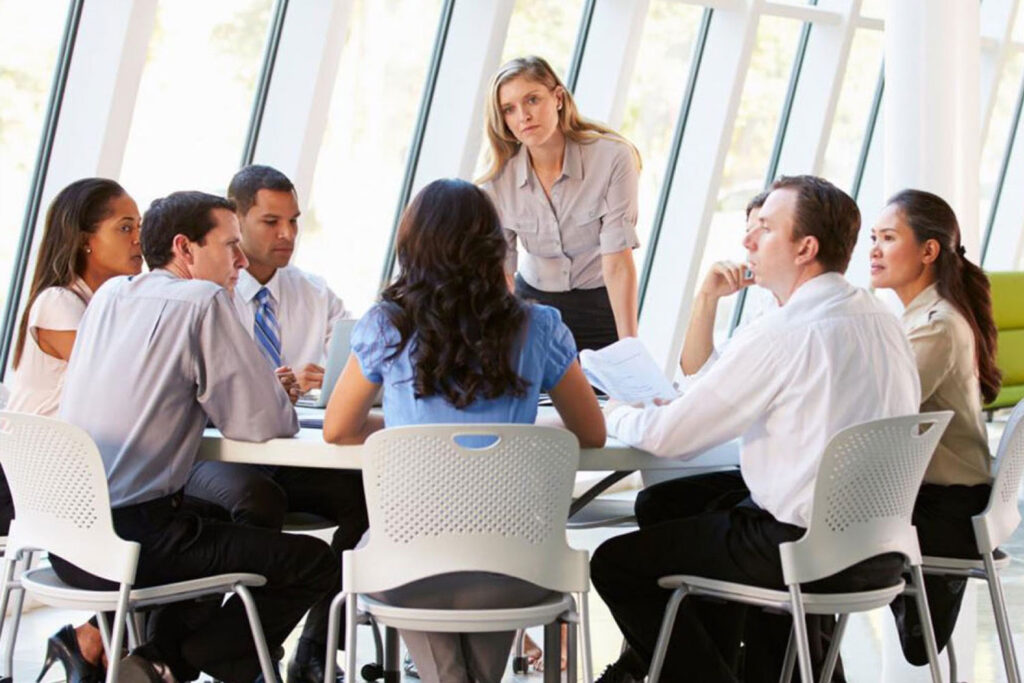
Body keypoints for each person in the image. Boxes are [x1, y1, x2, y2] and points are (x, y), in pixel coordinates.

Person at [591, 175, 920, 683]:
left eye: (764, 229)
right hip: (877, 545)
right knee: (665, 504)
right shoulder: (880, 319)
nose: (748, 240)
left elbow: (670, 439)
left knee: (616, 563)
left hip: (799, 546)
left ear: (805, 248)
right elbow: (713, 392)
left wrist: (611, 413)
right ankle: (713, 663)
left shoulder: (788, 332)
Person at [322, 178, 605, 683]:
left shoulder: (386, 325)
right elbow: (591, 432)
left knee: (439, 650)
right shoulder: (540, 326)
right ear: (494, 246)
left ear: (412, 248)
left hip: (409, 569)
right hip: (519, 565)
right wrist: (518, 431)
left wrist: (413, 429)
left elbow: (338, 428)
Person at [55, 191, 338, 683]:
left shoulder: (111, 295)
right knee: (314, 561)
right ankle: (183, 660)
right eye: (230, 246)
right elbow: (260, 425)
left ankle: (158, 659)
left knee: (217, 513)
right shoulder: (202, 300)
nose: (241, 260)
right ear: (185, 249)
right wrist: (272, 390)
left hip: (67, 540)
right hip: (134, 542)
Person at [182, 165, 366, 683]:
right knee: (256, 500)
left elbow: (354, 367)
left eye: (293, 221)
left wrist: (327, 379)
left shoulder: (314, 293)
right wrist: (261, 388)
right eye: (270, 222)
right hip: (213, 456)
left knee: (372, 495)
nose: (286, 235)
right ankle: (240, 654)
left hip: (288, 453)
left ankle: (316, 647)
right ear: (236, 219)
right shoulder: (205, 294)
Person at [3, 178, 143, 683]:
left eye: (141, 227)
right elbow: (119, 380)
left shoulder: (108, 305)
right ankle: (103, 643)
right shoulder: (59, 303)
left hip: (84, 477)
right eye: (125, 227)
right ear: (85, 238)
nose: (138, 240)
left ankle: (92, 640)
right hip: (39, 485)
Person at [869, 189, 1000, 665]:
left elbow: (879, 414)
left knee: (797, 535)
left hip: (944, 511)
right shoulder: (920, 318)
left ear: (929, 251)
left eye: (888, 237)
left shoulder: (936, 325)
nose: (874, 250)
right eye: (872, 238)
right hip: (941, 497)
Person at [479, 55, 641, 351]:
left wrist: (630, 348)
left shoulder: (613, 158)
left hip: (601, 305)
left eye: (532, 100)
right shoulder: (496, 181)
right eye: (509, 109)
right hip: (533, 308)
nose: (523, 116)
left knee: (612, 396)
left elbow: (617, 261)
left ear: (558, 98)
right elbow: (501, 273)